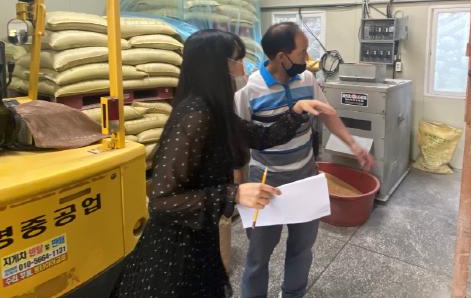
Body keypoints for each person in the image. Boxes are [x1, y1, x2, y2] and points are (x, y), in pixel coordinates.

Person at [111, 29, 336, 298]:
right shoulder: (194, 116)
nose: (243, 69)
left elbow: (262, 137)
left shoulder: (218, 113)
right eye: (237, 60)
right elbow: (161, 202)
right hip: (176, 251)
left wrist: (297, 112)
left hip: (202, 237)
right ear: (216, 66)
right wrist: (234, 193)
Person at [236, 22, 374, 298]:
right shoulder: (250, 91)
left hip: (305, 177)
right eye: (302, 52)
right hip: (266, 182)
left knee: (302, 249)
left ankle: (293, 293)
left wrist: (352, 144)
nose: (308, 58)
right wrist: (237, 187)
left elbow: (327, 114)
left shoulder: (307, 80)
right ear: (282, 57)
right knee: (258, 256)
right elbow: (237, 140)